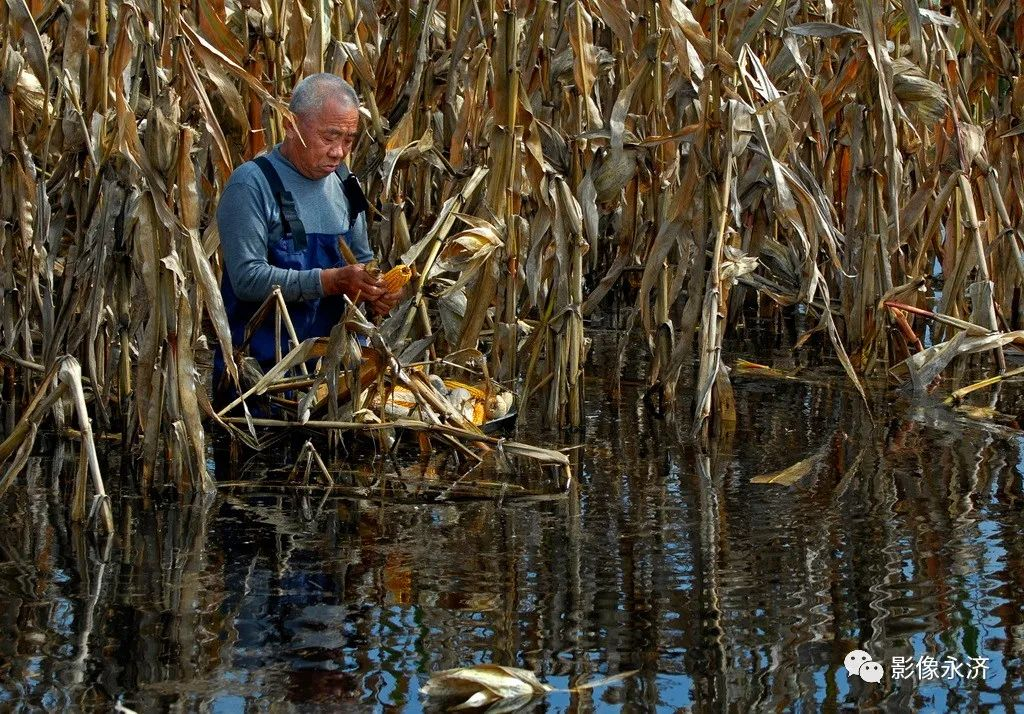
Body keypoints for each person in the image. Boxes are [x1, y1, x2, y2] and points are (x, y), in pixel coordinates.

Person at [215, 73, 398, 388]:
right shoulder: (252, 185)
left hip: (332, 382)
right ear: (290, 125)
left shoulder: (345, 183)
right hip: (262, 384)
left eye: (348, 140)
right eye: (329, 137)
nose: (338, 152)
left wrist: (376, 291)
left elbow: (363, 259)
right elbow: (246, 279)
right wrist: (330, 281)